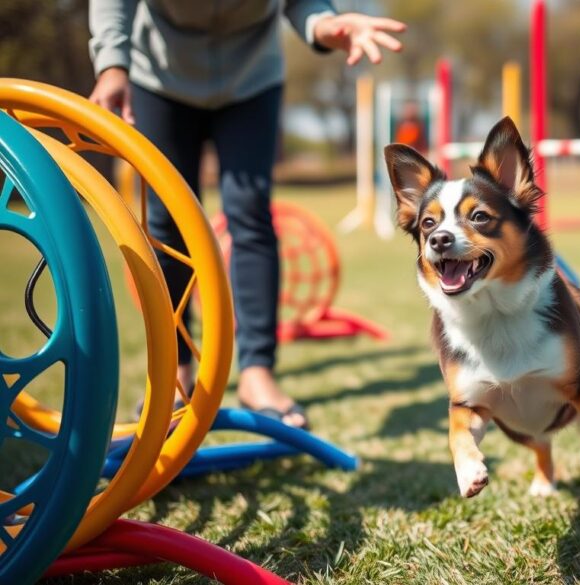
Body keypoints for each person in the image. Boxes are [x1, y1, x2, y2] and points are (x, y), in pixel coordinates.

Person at [88, 1, 405, 429]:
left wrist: (325, 24)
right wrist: (112, 63)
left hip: (251, 78)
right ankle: (176, 370)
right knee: (166, 222)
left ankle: (257, 373)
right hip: (159, 74)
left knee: (251, 212)